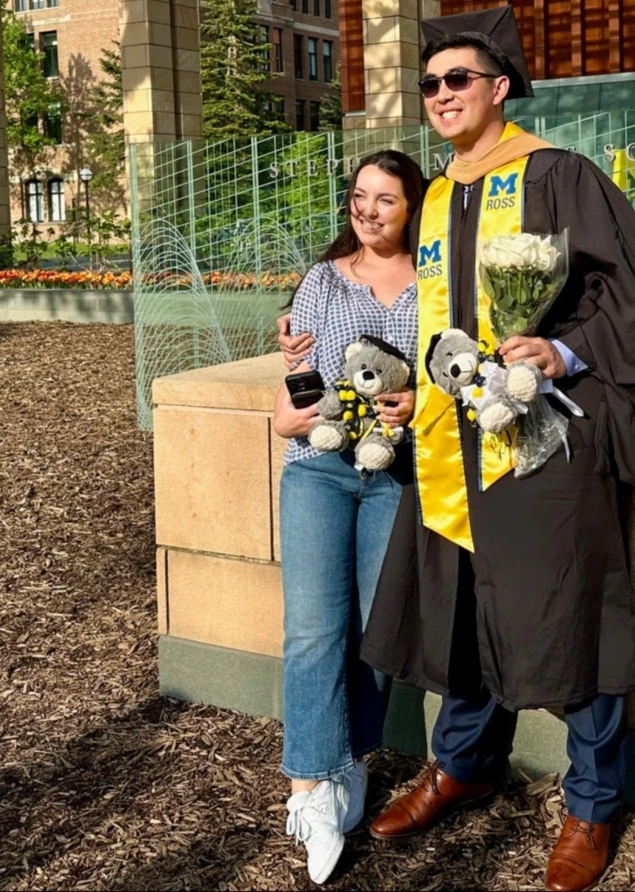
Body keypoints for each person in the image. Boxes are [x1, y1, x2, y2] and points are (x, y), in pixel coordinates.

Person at [280, 6, 635, 892]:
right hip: (446, 445)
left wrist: (559, 350)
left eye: (458, 79)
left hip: (540, 441)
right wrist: (340, 354)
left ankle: (593, 804)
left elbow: (625, 296)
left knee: (567, 611)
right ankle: (462, 764)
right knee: (460, 609)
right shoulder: (436, 198)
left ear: (500, 88)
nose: (442, 94)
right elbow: (406, 303)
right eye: (430, 83)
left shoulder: (557, 175)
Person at [271, 150, 425, 885]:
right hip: (320, 469)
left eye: (385, 199)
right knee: (312, 629)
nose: (367, 210)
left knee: (374, 631)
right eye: (359, 196)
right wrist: (292, 410)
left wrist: (417, 403)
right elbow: (294, 390)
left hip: (396, 474)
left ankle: (351, 764)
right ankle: (309, 788)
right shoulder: (323, 281)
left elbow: (452, 372)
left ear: (412, 207)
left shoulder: (434, 284)